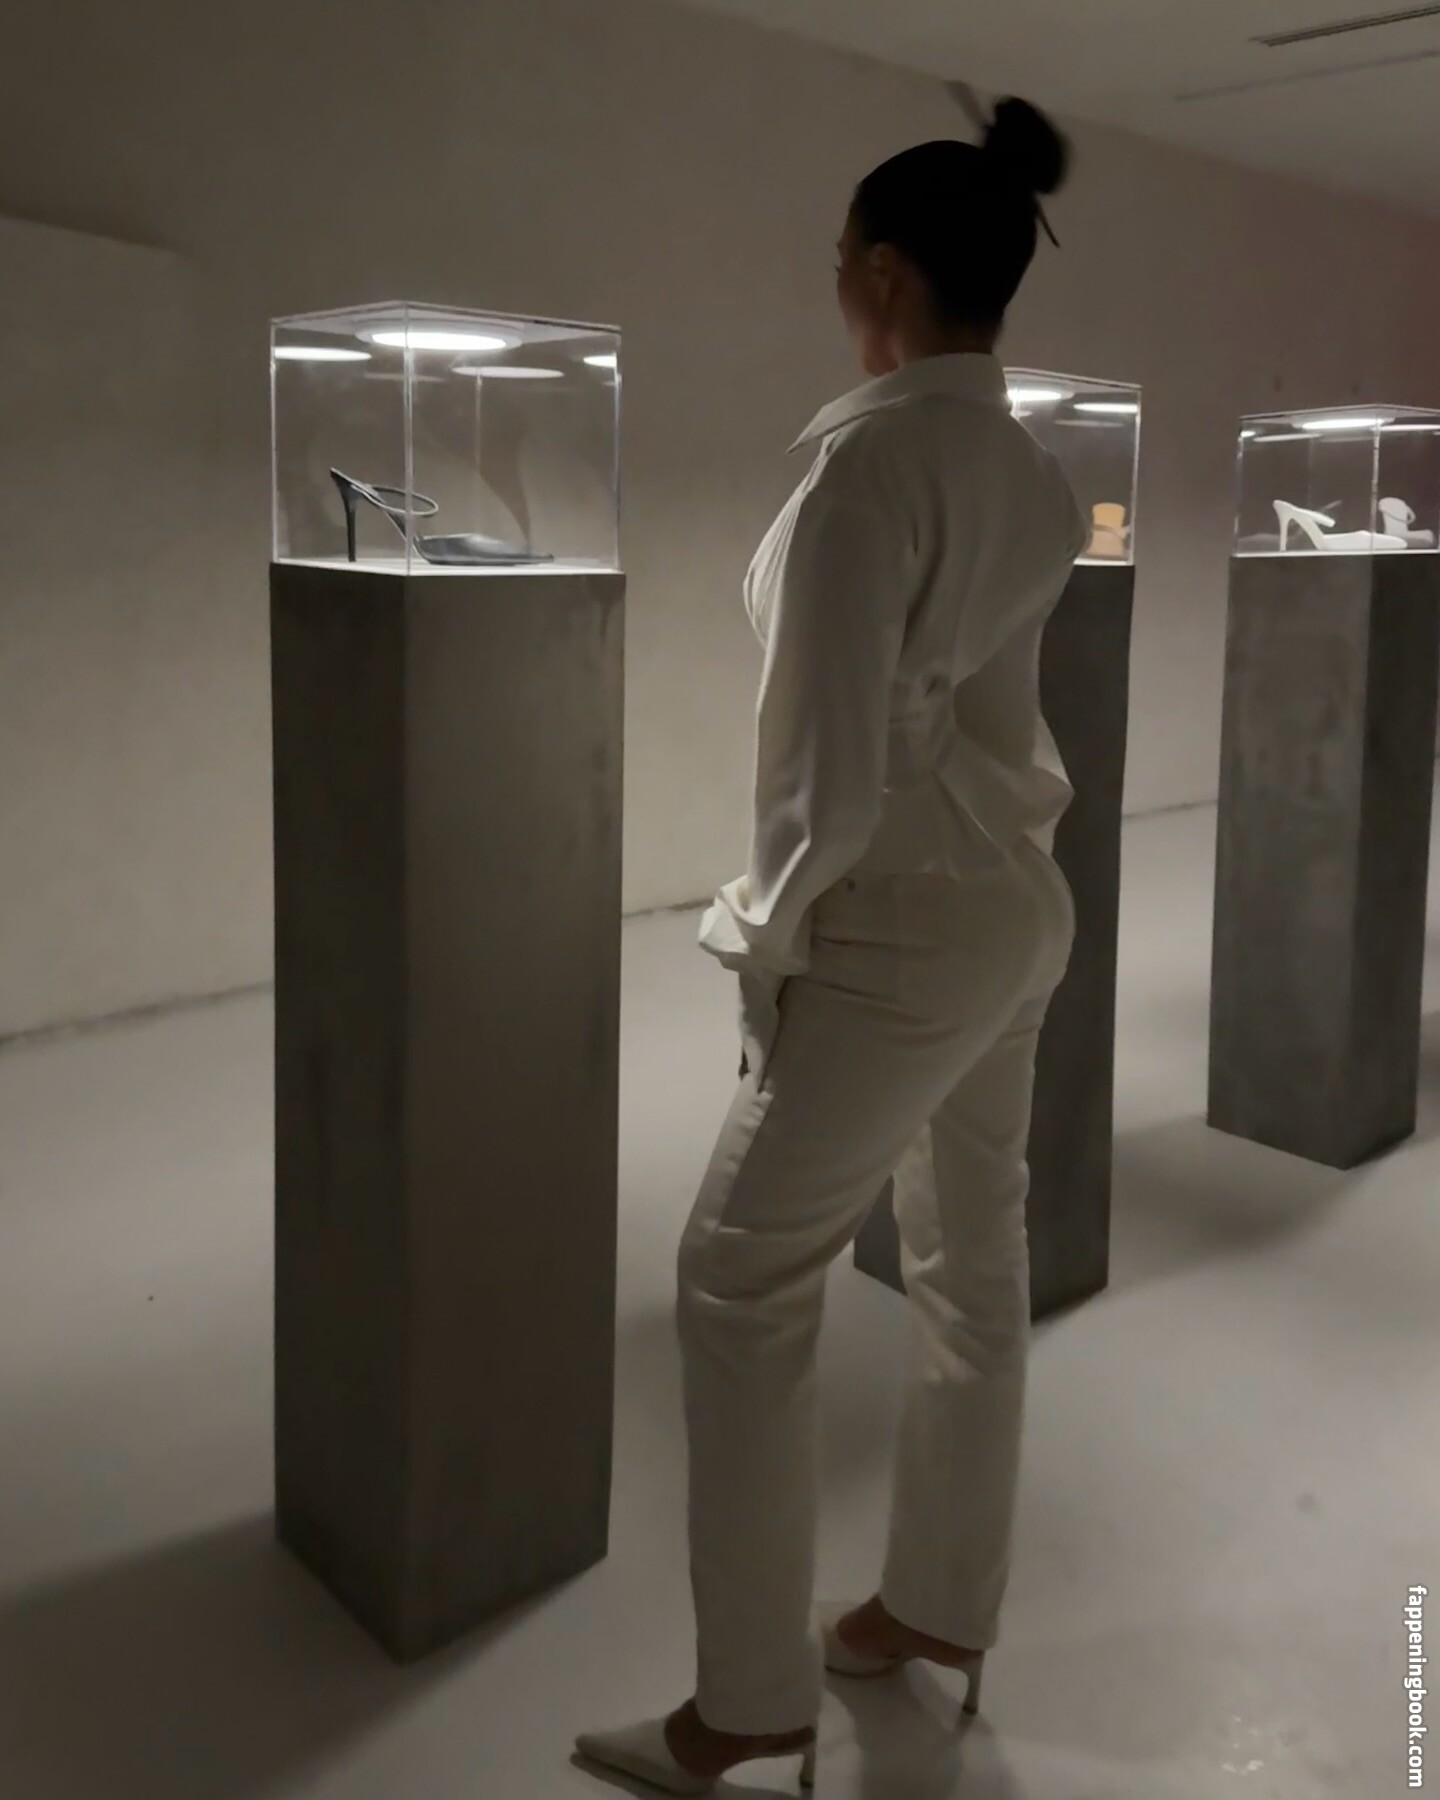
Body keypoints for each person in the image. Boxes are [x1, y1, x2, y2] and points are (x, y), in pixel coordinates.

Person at [578, 95, 1086, 1795]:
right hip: (1015, 907)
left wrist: (769, 947)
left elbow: (819, 773)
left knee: (736, 1279)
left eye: (836, 260)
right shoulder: (1030, 469)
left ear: (878, 273)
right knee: (972, 1261)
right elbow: (960, 720)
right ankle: (937, 1608)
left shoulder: (870, 468)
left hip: (902, 927)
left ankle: (748, 1702)